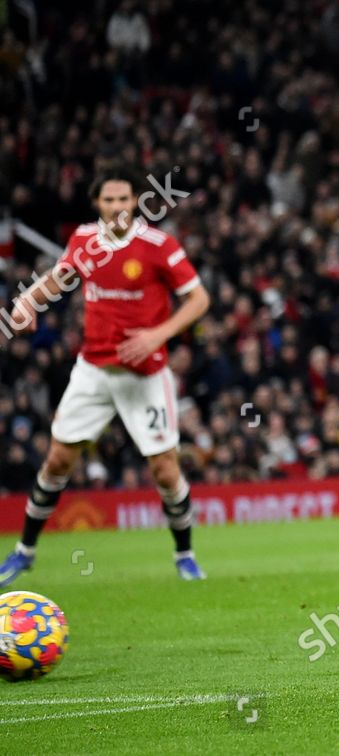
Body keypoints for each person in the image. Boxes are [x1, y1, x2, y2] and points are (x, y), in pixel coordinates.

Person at [0, 163, 212, 587]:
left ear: (136, 201)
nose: (117, 206)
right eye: (108, 199)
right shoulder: (83, 240)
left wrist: (160, 334)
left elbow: (199, 299)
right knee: (58, 459)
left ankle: (185, 555)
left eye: (123, 199)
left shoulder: (158, 245)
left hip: (145, 376)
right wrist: (26, 304)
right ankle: (24, 552)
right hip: (94, 370)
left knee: (165, 471)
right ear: (97, 202)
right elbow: (58, 279)